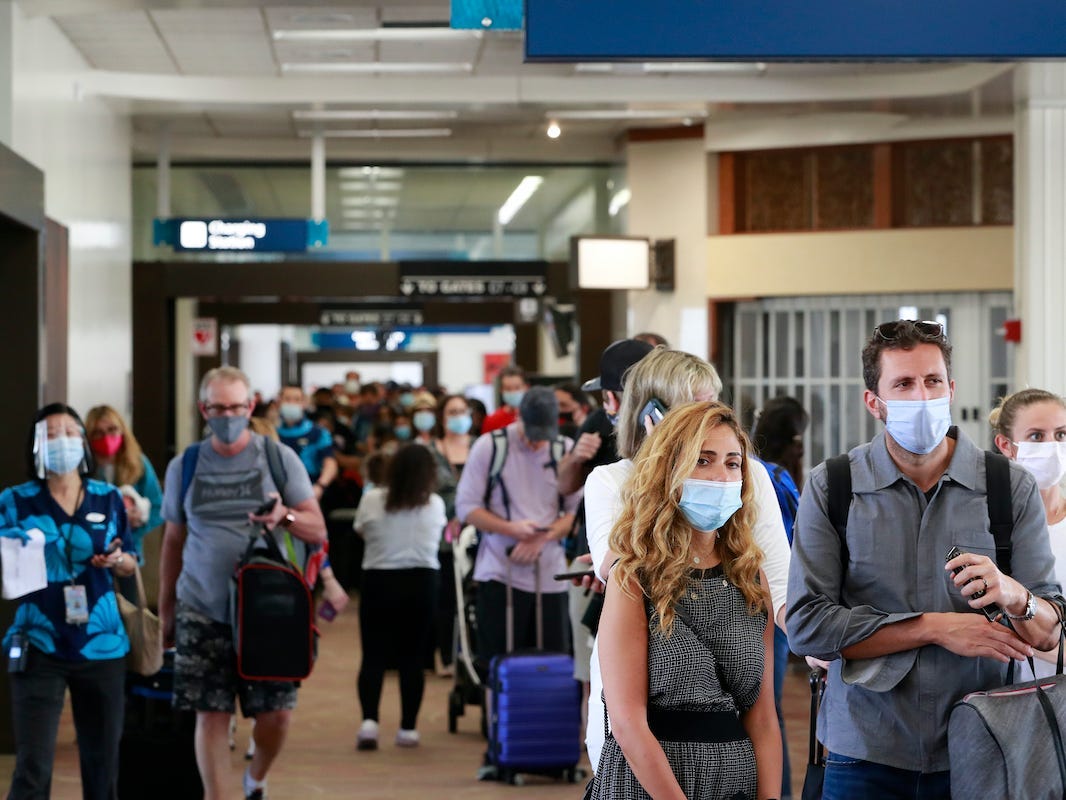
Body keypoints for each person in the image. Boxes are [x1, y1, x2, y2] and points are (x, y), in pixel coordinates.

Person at [786, 319, 1062, 800]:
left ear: (951, 388)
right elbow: (808, 627)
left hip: (988, 743)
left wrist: (1016, 597)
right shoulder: (834, 487)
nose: (921, 396)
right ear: (874, 402)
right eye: (904, 384)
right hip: (865, 750)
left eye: (933, 381)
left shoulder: (1007, 487)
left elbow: (1051, 630)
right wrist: (935, 627)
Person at [582, 348, 792, 773]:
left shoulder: (744, 475)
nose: (709, 420)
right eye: (695, 407)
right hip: (648, 681)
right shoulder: (611, 481)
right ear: (652, 415)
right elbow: (619, 564)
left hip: (732, 673)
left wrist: (823, 640)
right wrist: (668, 471)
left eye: (715, 403)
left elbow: (780, 581)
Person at [159, 366, 327, 800]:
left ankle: (256, 777)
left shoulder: (277, 458)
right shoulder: (186, 465)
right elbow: (173, 541)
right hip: (202, 605)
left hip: (266, 611)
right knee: (210, 715)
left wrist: (284, 516)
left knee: (277, 715)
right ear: (204, 410)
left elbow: (317, 529)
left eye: (236, 406)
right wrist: (166, 612)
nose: (228, 415)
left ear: (250, 407)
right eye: (218, 407)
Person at [0, 403, 137, 800]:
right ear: (37, 447)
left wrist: (116, 560)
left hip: (102, 643)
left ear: (83, 442)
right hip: (39, 641)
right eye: (52, 434)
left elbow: (129, 561)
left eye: (70, 432)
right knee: (33, 766)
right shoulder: (14, 501)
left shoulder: (108, 497)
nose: (63, 441)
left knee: (102, 765)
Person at [454, 386, 580, 671]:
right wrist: (511, 529)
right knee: (498, 663)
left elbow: (575, 512)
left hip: (550, 575)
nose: (537, 443)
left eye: (543, 435)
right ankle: (497, 715)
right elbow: (466, 507)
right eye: (532, 434)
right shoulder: (490, 447)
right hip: (500, 572)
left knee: (551, 665)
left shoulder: (564, 449)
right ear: (518, 418)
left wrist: (544, 537)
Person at [353, 444, 446, 750]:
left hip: (379, 580)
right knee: (413, 657)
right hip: (422, 583)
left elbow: (361, 532)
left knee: (373, 654)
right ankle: (408, 728)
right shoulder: (434, 504)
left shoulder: (371, 499)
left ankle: (369, 723)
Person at [751, 395, 809, 800]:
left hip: (759, 606)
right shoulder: (778, 478)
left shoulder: (757, 473)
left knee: (761, 715)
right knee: (768, 716)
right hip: (775, 605)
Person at [989, 388, 1066, 677]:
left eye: (1061, 435)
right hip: (1000, 698)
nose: (1052, 446)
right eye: (1036, 436)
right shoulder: (985, 524)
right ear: (1006, 445)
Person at [428, 394, 474, 674]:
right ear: (442, 418)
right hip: (441, 535)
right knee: (445, 599)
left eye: (462, 410)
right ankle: (446, 656)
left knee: (472, 597)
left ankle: (471, 654)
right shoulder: (432, 452)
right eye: (451, 411)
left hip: (477, 533)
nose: (457, 416)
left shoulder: (482, 446)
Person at [84, 404, 164, 563]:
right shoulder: (83, 468)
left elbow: (159, 507)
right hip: (91, 552)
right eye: (98, 433)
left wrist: (136, 524)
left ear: (122, 431)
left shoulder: (138, 463)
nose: (106, 437)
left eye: (112, 429)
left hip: (129, 551)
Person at [276, 384, 338, 502]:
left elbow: (330, 463)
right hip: (280, 492)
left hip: (310, 489)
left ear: (304, 403)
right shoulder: (271, 433)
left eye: (297, 399)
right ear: (279, 402)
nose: (292, 403)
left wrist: (320, 486)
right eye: (287, 399)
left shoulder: (317, 433)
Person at [480, 365, 529, 434]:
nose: (513, 392)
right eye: (508, 388)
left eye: (517, 388)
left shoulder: (534, 417)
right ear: (501, 390)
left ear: (526, 388)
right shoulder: (492, 420)